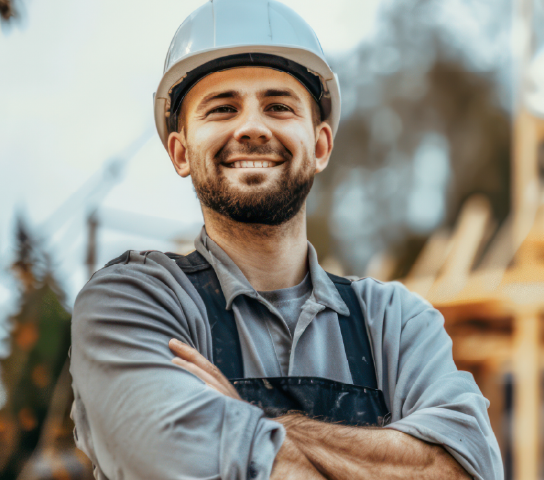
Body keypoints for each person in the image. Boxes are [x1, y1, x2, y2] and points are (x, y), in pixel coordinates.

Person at [68, 1, 503, 478]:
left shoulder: (396, 323)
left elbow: (468, 468)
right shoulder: (134, 306)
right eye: (222, 108)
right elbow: (182, 461)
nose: (253, 127)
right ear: (180, 152)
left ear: (319, 147)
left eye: (278, 106)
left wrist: (244, 421)